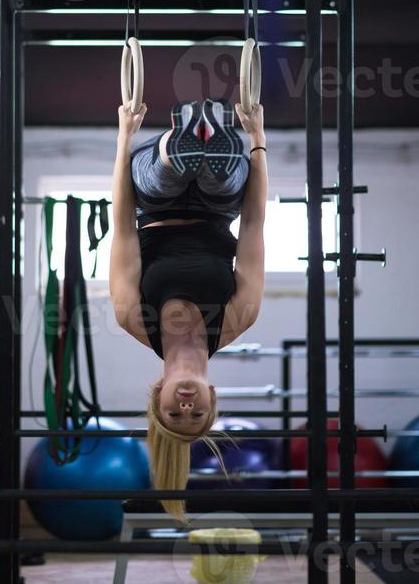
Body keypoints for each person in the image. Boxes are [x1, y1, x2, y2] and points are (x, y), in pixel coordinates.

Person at [109, 98, 267, 521]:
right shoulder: (238, 318)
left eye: (174, 413)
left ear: (155, 397)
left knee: (161, 177)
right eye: (197, 413)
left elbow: (122, 225)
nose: (186, 404)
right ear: (212, 398)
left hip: (153, 207)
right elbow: (252, 223)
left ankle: (179, 148)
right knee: (226, 182)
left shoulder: (133, 318)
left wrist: (125, 136)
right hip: (219, 212)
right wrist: (257, 138)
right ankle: (210, 141)